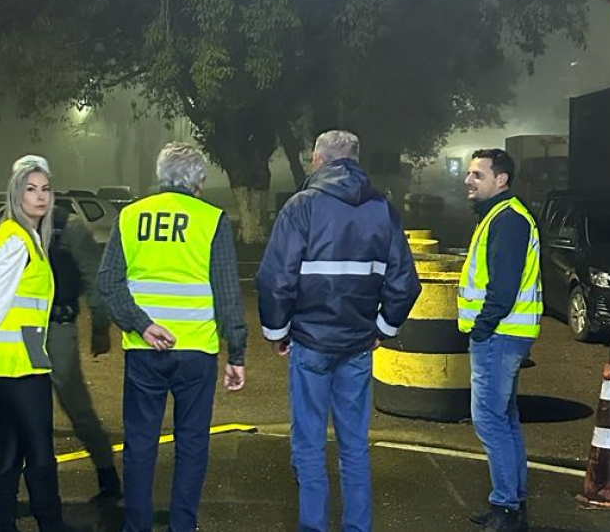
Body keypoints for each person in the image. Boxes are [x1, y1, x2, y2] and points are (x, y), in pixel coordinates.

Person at [256, 130, 421, 532]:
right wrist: (382, 327)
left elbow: (275, 279)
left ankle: (314, 526)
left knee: (310, 447)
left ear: (317, 160)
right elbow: (405, 282)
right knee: (354, 448)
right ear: (356, 160)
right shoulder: (383, 208)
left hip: (310, 342)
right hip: (359, 344)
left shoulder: (301, 207)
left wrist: (277, 332)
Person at [97, 142, 248, 532]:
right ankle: (183, 525)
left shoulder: (131, 216)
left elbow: (108, 283)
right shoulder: (212, 219)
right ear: (198, 179)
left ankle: (137, 526)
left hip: (144, 351)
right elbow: (228, 292)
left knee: (141, 445)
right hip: (196, 351)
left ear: (161, 175)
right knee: (192, 443)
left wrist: (142, 324)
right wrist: (238, 353)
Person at [0, 202, 121, 510]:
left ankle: (106, 473)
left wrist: (101, 324)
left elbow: (93, 274)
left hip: (55, 328)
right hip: (16, 331)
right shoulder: (7, 224)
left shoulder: (69, 226)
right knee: (2, 410)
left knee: (74, 404)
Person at [0, 155, 68, 532]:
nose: (40, 197)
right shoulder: (16, 239)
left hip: (14, 360)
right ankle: (50, 524)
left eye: (45, 189)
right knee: (38, 451)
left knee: (8, 447)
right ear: (16, 194)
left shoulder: (28, 236)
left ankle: (1, 525)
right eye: (30, 189)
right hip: (17, 364)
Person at [459, 149, 541, 532]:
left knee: (489, 420)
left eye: (477, 174)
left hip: (499, 335)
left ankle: (506, 507)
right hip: (509, 334)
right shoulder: (505, 215)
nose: (468, 181)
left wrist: (481, 328)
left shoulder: (506, 220)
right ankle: (512, 502)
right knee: (506, 419)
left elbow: (503, 288)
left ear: (501, 179)